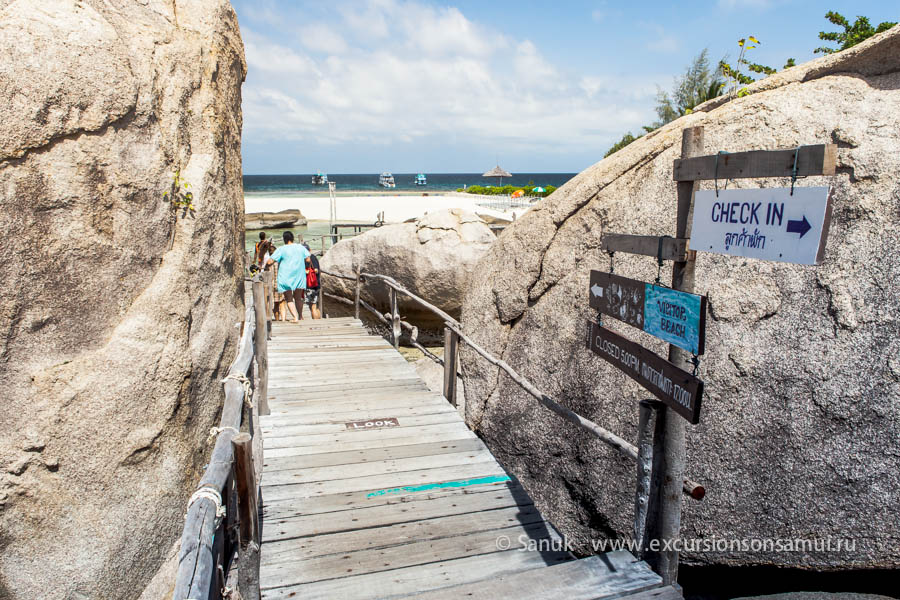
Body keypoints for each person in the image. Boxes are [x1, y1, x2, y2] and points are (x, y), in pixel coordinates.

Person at [267, 231, 310, 322]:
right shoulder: (300, 247)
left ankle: (295, 317)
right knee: (298, 297)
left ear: (284, 239)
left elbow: (270, 261)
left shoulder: (281, 249)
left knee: (289, 298)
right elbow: (308, 259)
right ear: (293, 238)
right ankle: (301, 316)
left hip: (285, 276)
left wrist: (266, 267)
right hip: (299, 275)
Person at [303, 243, 322, 320]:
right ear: (309, 250)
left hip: (309, 285)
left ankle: (316, 323)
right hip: (316, 285)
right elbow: (317, 270)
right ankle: (319, 321)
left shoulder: (306, 259)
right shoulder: (314, 257)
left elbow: (315, 270)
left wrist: (306, 271)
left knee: (312, 306)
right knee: (314, 306)